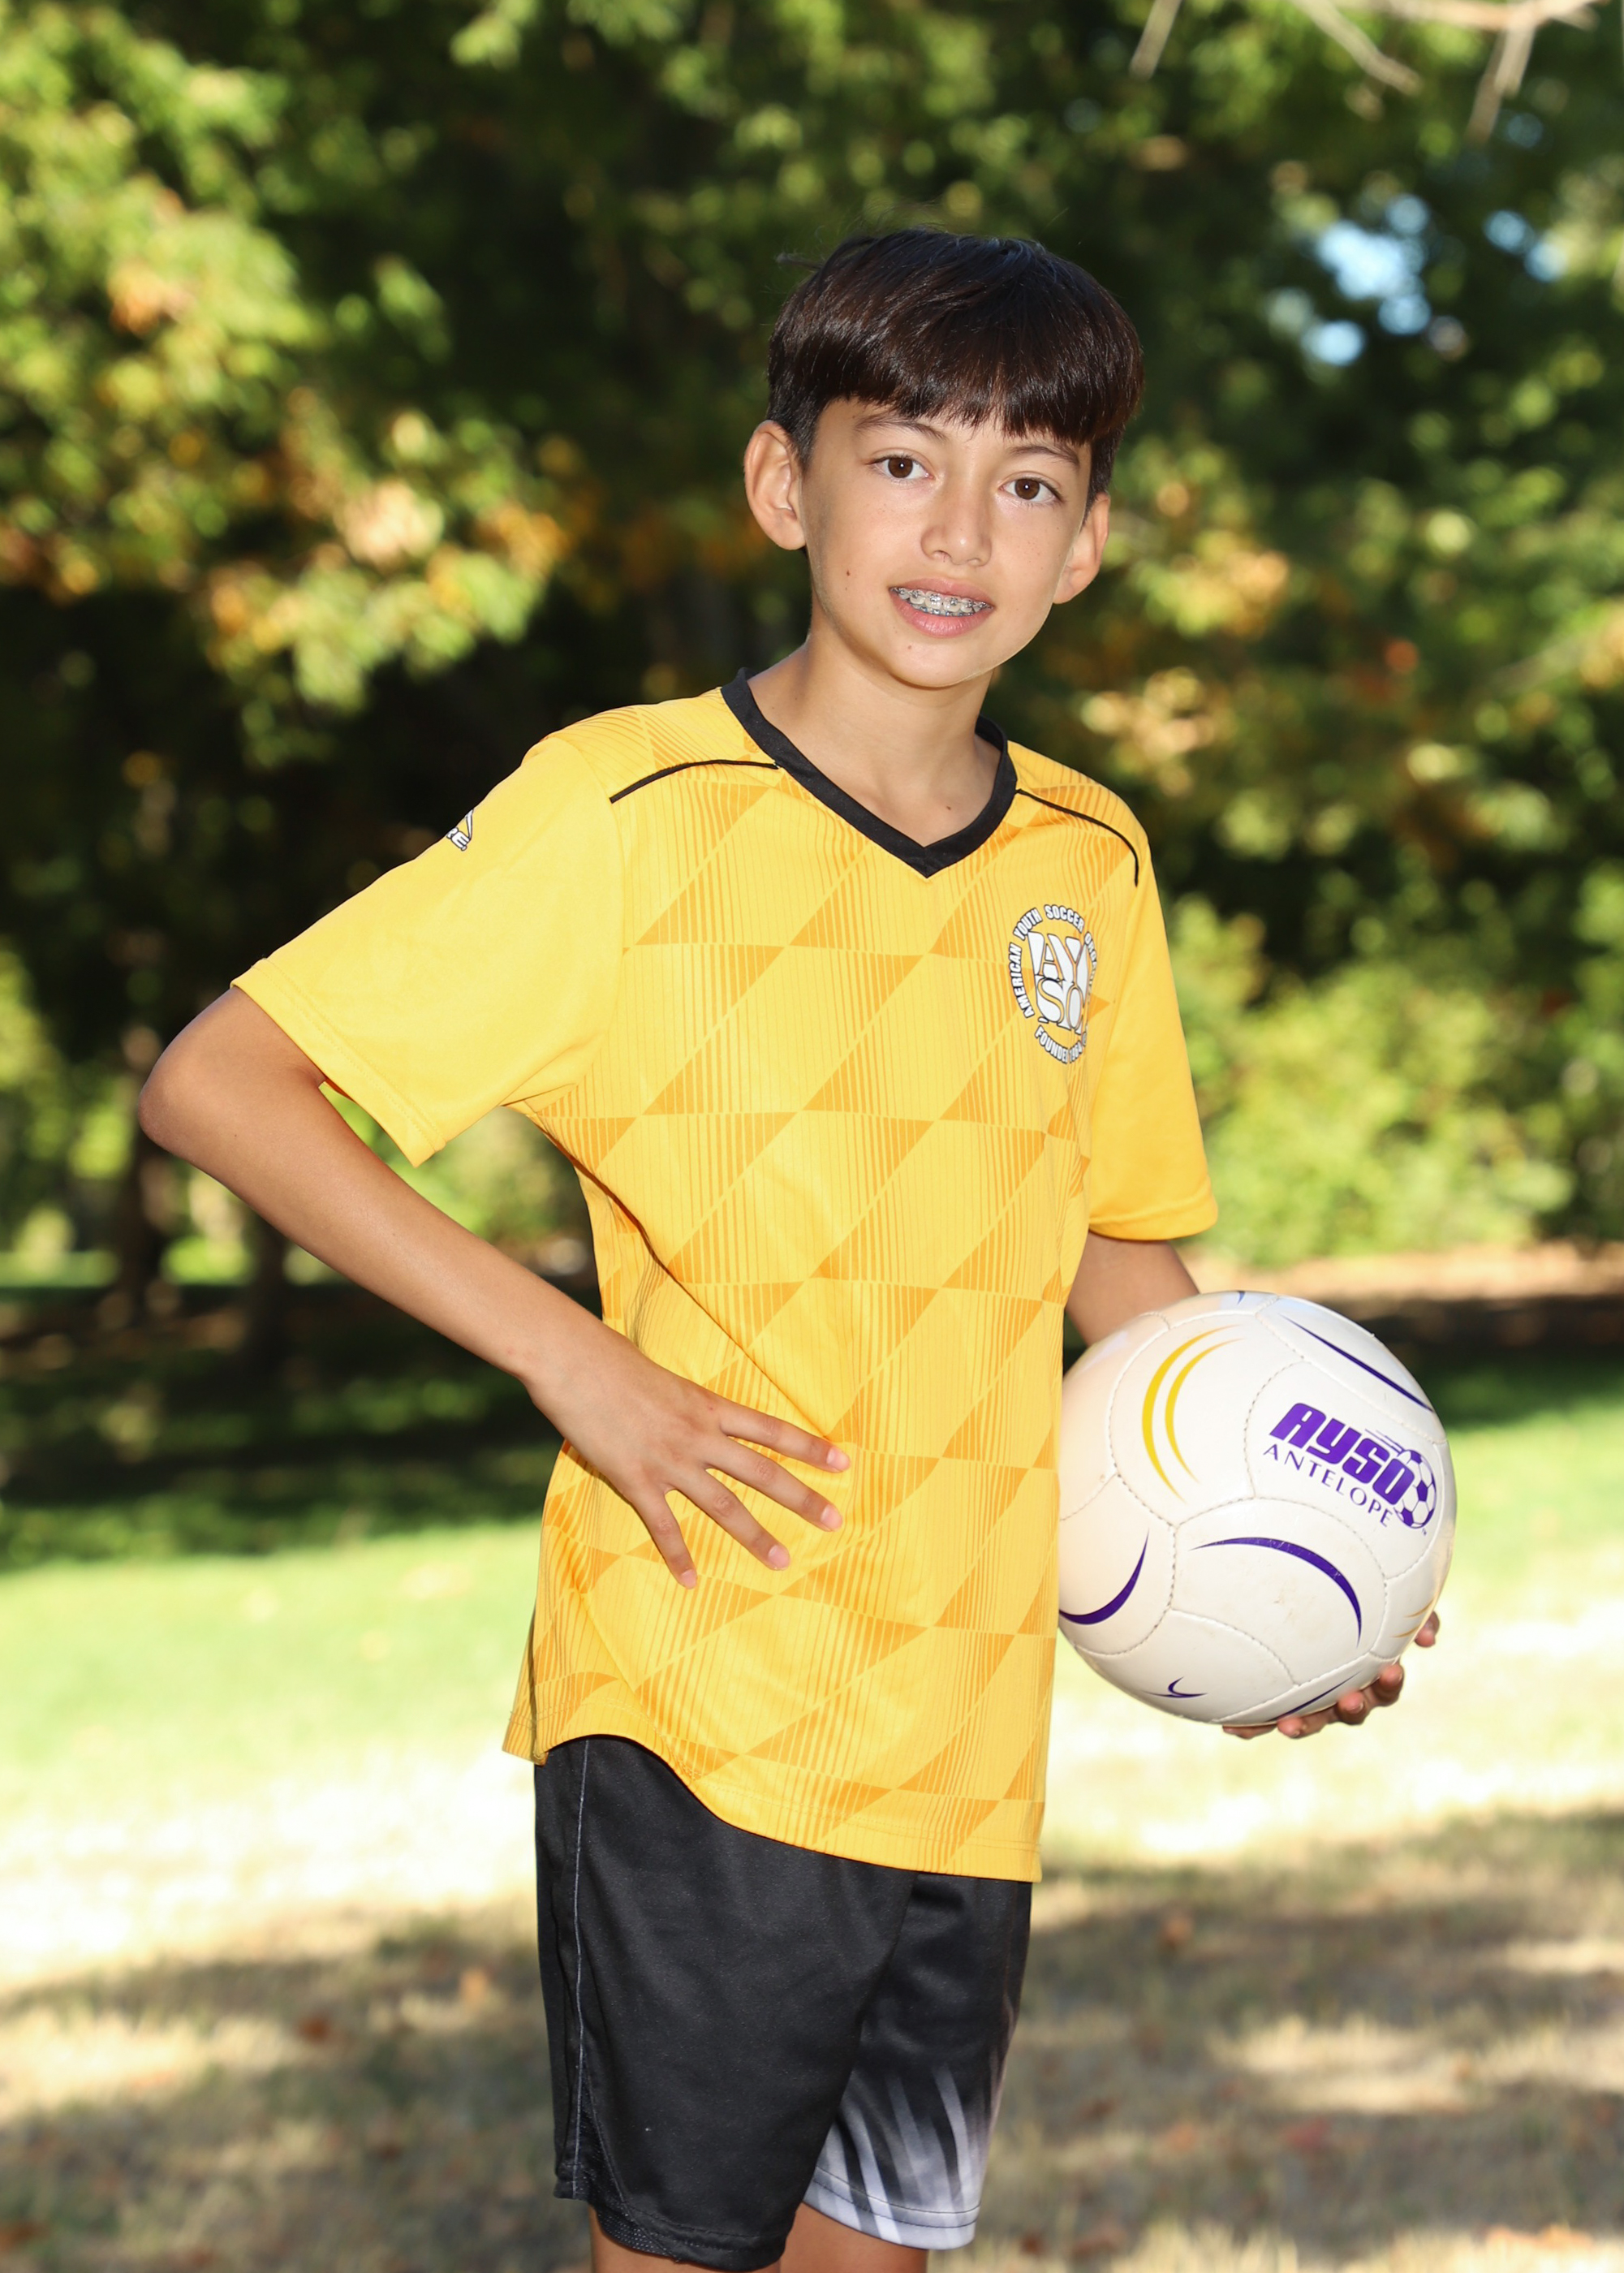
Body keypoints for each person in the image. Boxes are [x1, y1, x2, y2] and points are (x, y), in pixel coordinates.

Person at [141, 229, 1434, 2273]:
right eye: (900, 460)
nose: (958, 528)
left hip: (965, 1719)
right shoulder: (624, 808)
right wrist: (570, 1356)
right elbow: (222, 1083)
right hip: (705, 1684)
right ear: (781, 484)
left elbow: (1117, 1267)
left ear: (1087, 543)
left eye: (1025, 481)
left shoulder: (1086, 859)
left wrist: (1282, 1573)